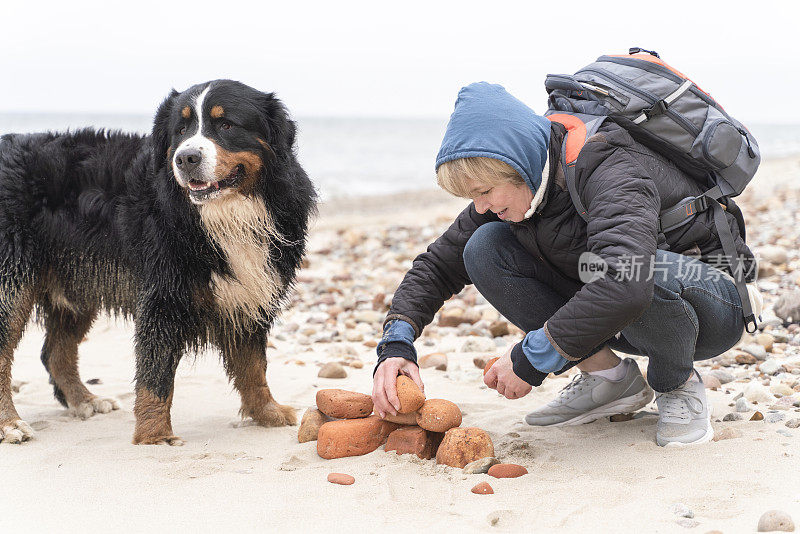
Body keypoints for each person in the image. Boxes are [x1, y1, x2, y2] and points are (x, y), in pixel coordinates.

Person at [371, 82, 761, 447]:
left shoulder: (608, 164)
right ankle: (610, 380)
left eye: (485, 191)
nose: (480, 206)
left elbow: (625, 282)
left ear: (518, 164)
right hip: (626, 310)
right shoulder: (518, 188)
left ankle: (677, 383)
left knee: (635, 268)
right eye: (473, 196)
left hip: (708, 306)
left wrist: (533, 355)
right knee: (482, 247)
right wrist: (396, 344)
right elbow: (438, 266)